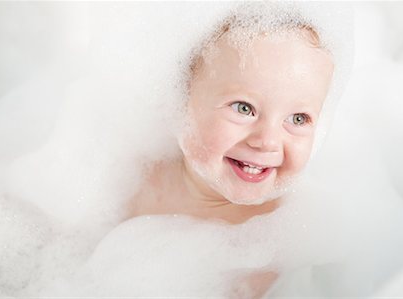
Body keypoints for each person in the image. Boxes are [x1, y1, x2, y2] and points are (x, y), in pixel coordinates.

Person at [128, 13, 334, 226]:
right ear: (183, 98)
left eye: (298, 119)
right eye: (244, 108)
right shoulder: (129, 182)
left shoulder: (290, 231)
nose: (268, 141)